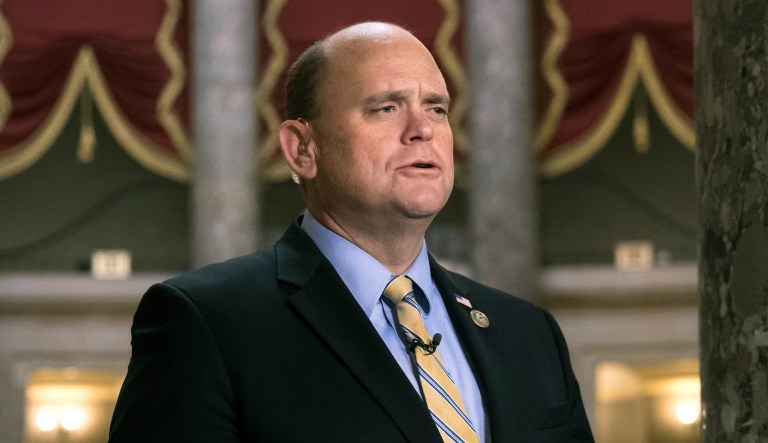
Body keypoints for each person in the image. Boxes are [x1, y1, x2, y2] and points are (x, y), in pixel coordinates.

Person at [109, 22, 593, 442]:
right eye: (385, 108)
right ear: (302, 149)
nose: (422, 129)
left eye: (437, 109)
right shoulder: (206, 324)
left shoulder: (529, 333)